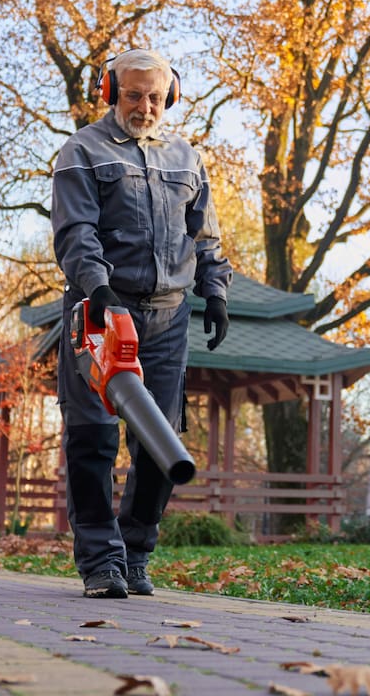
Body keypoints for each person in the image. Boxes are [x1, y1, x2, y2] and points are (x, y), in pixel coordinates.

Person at [51, 49, 232, 598]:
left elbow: (205, 236)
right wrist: (98, 287)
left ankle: (134, 554)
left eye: (155, 96)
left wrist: (216, 292)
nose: (145, 106)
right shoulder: (82, 151)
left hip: (168, 317)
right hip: (101, 311)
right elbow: (75, 231)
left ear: (169, 96)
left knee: (159, 442)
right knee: (93, 440)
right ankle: (100, 562)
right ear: (111, 91)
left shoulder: (187, 158)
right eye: (133, 95)